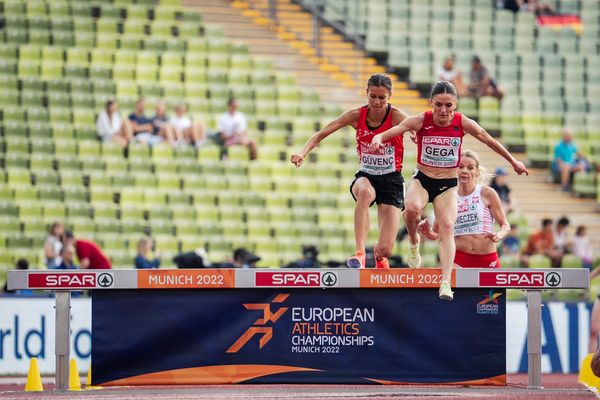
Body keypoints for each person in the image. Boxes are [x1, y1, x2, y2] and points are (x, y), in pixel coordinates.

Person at [369, 80, 528, 300]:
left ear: (455, 105)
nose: (443, 110)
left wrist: (513, 161)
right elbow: (397, 129)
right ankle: (414, 243)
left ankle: (445, 282)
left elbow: (488, 139)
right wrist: (378, 137)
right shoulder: (421, 120)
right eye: (439, 105)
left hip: (447, 185)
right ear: (431, 103)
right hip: (424, 179)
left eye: (448, 105)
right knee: (412, 209)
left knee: (447, 225)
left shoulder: (462, 123)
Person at [291, 73, 411, 270]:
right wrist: (302, 152)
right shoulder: (356, 115)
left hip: (392, 180)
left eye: (382, 97)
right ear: (367, 94)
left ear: (390, 97)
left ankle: (379, 255)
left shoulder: (397, 116)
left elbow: (418, 128)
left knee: (386, 250)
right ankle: (360, 254)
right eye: (373, 96)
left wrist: (415, 135)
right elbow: (322, 133)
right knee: (364, 193)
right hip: (367, 175)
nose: (377, 102)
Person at [418, 150, 511, 269]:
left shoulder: (487, 193)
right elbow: (436, 234)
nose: (464, 171)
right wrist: (427, 232)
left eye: (470, 168)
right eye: (460, 167)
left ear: (477, 172)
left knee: (495, 288)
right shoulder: (446, 197)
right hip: (459, 259)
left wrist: (499, 234)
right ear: (455, 170)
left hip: (487, 258)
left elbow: (506, 225)